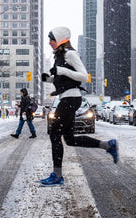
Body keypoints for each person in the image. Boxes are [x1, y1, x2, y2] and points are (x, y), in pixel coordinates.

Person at [39, 27, 118, 187]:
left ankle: (57, 176)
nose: (49, 43)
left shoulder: (70, 54)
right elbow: (65, 79)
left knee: (55, 134)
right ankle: (108, 145)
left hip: (71, 98)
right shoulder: (61, 56)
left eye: (51, 39)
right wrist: (49, 79)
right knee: (70, 139)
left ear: (60, 39)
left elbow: (83, 76)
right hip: (68, 98)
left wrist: (61, 70)